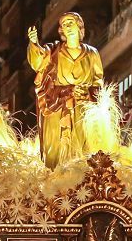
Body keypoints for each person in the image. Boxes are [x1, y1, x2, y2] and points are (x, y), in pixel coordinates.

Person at [26, 12, 104, 169]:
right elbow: (38, 62)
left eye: (70, 23)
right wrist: (34, 43)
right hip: (57, 105)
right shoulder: (53, 51)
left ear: (79, 26)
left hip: (83, 108)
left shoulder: (92, 53)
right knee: (56, 148)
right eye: (64, 24)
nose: (67, 27)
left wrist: (88, 93)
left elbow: (98, 81)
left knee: (82, 149)